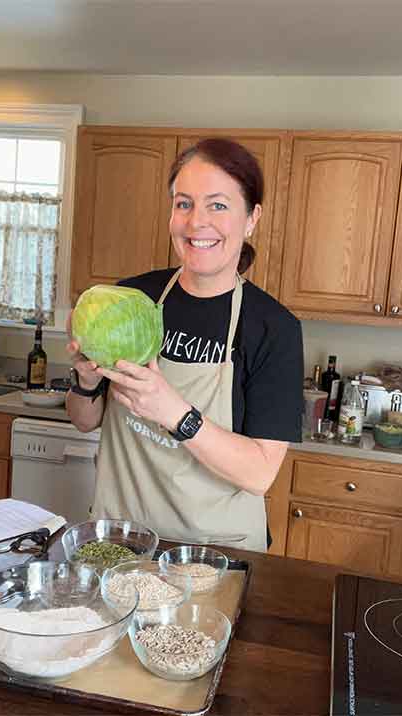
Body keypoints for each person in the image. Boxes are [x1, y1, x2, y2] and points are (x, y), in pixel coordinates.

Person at [66, 138, 303, 552]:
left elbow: (259, 472)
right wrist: (85, 380)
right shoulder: (130, 301)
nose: (197, 223)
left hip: (212, 554)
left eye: (218, 205)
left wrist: (174, 412)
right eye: (184, 204)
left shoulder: (272, 328)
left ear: (251, 218)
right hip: (121, 541)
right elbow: (85, 419)